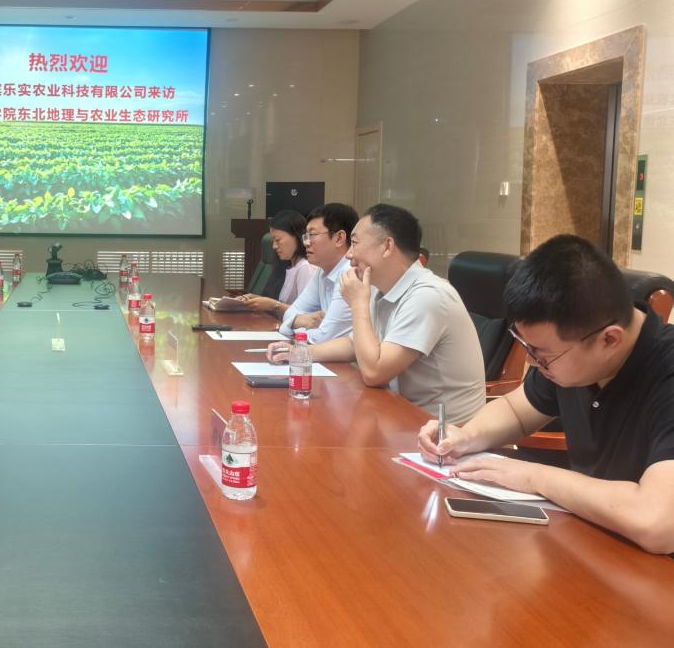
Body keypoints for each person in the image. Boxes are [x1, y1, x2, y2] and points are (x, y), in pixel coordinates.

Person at [419, 235, 674, 554]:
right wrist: (465, 437)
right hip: (594, 542)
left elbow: (658, 522)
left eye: (543, 354)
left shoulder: (665, 373)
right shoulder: (577, 352)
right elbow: (516, 410)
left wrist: (534, 477)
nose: (532, 362)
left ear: (609, 340)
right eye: (527, 347)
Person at [310, 204, 485, 424]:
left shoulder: (428, 296)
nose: (349, 255)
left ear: (387, 246)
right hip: (398, 415)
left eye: (354, 243)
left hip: (442, 431)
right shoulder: (381, 290)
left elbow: (374, 373)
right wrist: (300, 353)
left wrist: (358, 304)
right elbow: (354, 344)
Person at [267, 203, 358, 361]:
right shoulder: (322, 272)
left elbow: (324, 338)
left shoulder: (350, 274)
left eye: (313, 235)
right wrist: (297, 320)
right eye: (306, 236)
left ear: (339, 238)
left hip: (348, 366)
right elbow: (289, 314)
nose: (306, 243)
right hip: (326, 360)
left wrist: (293, 325)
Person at [237, 209, 315, 319]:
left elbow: (306, 314)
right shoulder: (289, 266)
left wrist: (273, 305)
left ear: (296, 236)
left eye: (278, 240)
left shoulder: (305, 267)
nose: (274, 246)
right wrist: (256, 299)